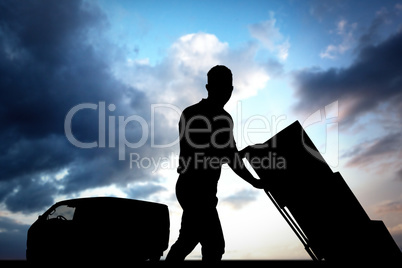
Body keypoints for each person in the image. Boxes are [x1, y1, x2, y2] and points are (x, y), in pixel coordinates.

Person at [166, 65, 264, 262]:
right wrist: (245, 168)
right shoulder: (193, 114)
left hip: (205, 191)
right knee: (214, 243)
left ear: (231, 89)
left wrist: (250, 174)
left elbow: (228, 155)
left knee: (188, 239)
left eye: (228, 87)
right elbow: (202, 155)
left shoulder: (224, 119)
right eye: (220, 86)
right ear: (208, 87)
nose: (225, 91)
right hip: (193, 189)